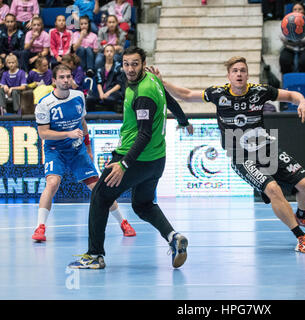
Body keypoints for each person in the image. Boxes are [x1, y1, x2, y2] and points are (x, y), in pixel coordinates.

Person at [153, 55, 305, 254]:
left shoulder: (260, 91)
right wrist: (162, 82)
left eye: (242, 70)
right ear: (229, 76)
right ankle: (301, 238)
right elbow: (187, 94)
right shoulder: (218, 94)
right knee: (274, 190)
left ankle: (302, 216)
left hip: (266, 149)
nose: (239, 74)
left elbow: (292, 96)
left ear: (247, 74)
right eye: (235, 71)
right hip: (241, 156)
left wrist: (302, 101)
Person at [68, 46, 191, 269]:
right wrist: (183, 121)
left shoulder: (143, 93)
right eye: (126, 64)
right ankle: (173, 237)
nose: (130, 69)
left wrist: (124, 164)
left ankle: (95, 256)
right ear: (121, 64)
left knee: (100, 196)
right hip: (156, 160)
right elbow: (169, 99)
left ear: (143, 63)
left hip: (135, 158)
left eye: (135, 64)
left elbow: (144, 133)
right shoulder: (153, 79)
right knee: (143, 205)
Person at [32, 63, 136, 242]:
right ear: (54, 80)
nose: (66, 80)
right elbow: (43, 133)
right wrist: (68, 133)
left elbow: (83, 123)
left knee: (98, 187)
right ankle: (40, 227)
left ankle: (123, 222)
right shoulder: (45, 104)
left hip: (77, 149)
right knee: (53, 182)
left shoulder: (79, 96)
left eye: (68, 76)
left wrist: (88, 148)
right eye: (62, 77)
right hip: (55, 150)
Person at [279, 1, 305, 74]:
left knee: (304, 61)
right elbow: (282, 36)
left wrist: (298, 38)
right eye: (295, 9)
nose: (297, 11)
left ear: (304, 11)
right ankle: (288, 81)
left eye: (300, 9)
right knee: (284, 60)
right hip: (290, 47)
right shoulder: (286, 21)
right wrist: (290, 38)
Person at [86, 44, 124, 112]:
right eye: (107, 51)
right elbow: (99, 82)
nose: (109, 53)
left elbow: (119, 84)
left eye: (111, 51)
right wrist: (101, 93)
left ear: (114, 53)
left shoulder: (118, 66)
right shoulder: (100, 66)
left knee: (110, 99)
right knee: (90, 99)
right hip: (101, 90)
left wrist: (108, 93)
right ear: (104, 53)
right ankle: (92, 118)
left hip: (113, 91)